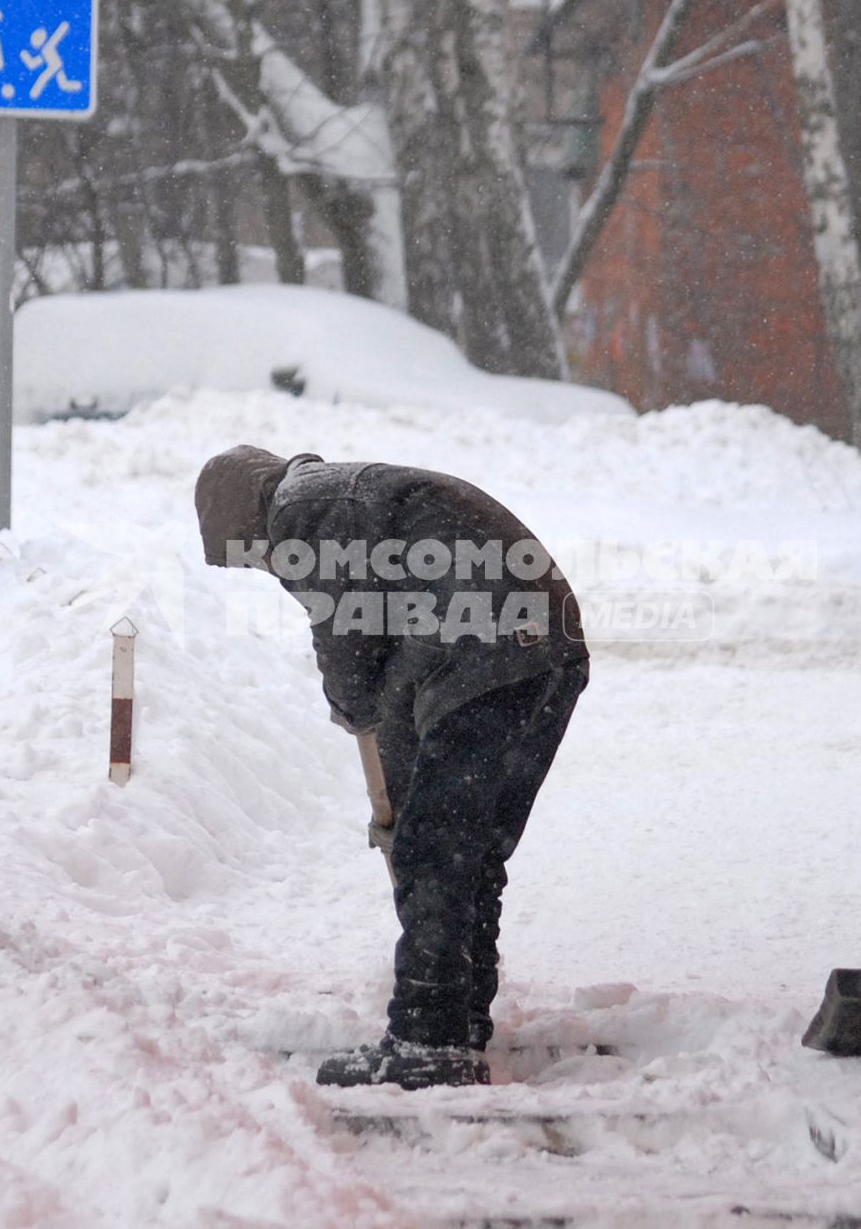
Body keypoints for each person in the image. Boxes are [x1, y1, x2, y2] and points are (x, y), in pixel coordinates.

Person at [194, 446, 589, 1090]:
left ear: (245, 521)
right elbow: (397, 657)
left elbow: (348, 645)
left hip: (489, 648)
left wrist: (353, 714)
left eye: (251, 557)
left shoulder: (302, 513)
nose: (267, 570)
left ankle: (427, 1040)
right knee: (470, 849)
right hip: (548, 650)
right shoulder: (346, 498)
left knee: (434, 851)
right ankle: (458, 1020)